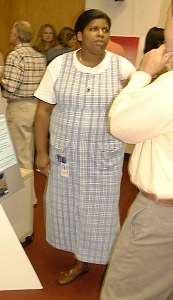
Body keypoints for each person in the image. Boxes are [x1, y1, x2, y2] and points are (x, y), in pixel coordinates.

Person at [34, 9, 135, 286]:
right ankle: (80, 261)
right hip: (66, 155)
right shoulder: (59, 65)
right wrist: (42, 152)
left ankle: (108, 262)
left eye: (104, 29)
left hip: (103, 157)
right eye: (93, 29)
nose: (100, 34)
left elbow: (137, 108)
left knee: (100, 210)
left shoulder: (122, 68)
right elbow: (43, 111)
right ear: (79, 35)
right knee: (68, 206)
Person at [101, 3, 173, 300]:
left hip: (161, 218)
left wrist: (143, 74)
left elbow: (120, 124)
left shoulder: (169, 88)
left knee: (124, 293)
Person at [1, 20, 46, 203]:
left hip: (19, 108)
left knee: (20, 157)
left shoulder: (15, 56)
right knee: (28, 152)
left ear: (17, 35)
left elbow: (11, 87)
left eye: (11, 31)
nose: (9, 35)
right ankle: (30, 196)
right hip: (36, 107)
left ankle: (25, 200)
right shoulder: (39, 56)